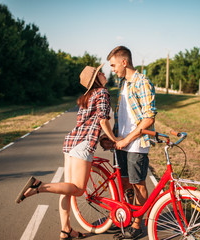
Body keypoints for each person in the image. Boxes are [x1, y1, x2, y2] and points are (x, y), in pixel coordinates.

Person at [15, 64, 121, 240]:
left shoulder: (87, 96)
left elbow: (89, 122)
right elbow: (103, 120)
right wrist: (115, 139)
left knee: (68, 189)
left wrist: (103, 136)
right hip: (83, 144)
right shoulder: (102, 93)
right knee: (78, 189)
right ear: (96, 79)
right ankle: (39, 187)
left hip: (71, 142)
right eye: (100, 72)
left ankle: (66, 230)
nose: (103, 73)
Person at [107, 46, 156, 240]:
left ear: (124, 62)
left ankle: (137, 225)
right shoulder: (123, 83)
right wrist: (113, 137)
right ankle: (127, 217)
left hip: (136, 143)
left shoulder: (142, 82)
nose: (112, 69)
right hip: (122, 142)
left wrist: (128, 138)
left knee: (138, 184)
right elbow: (123, 116)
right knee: (125, 182)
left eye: (113, 65)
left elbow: (149, 118)